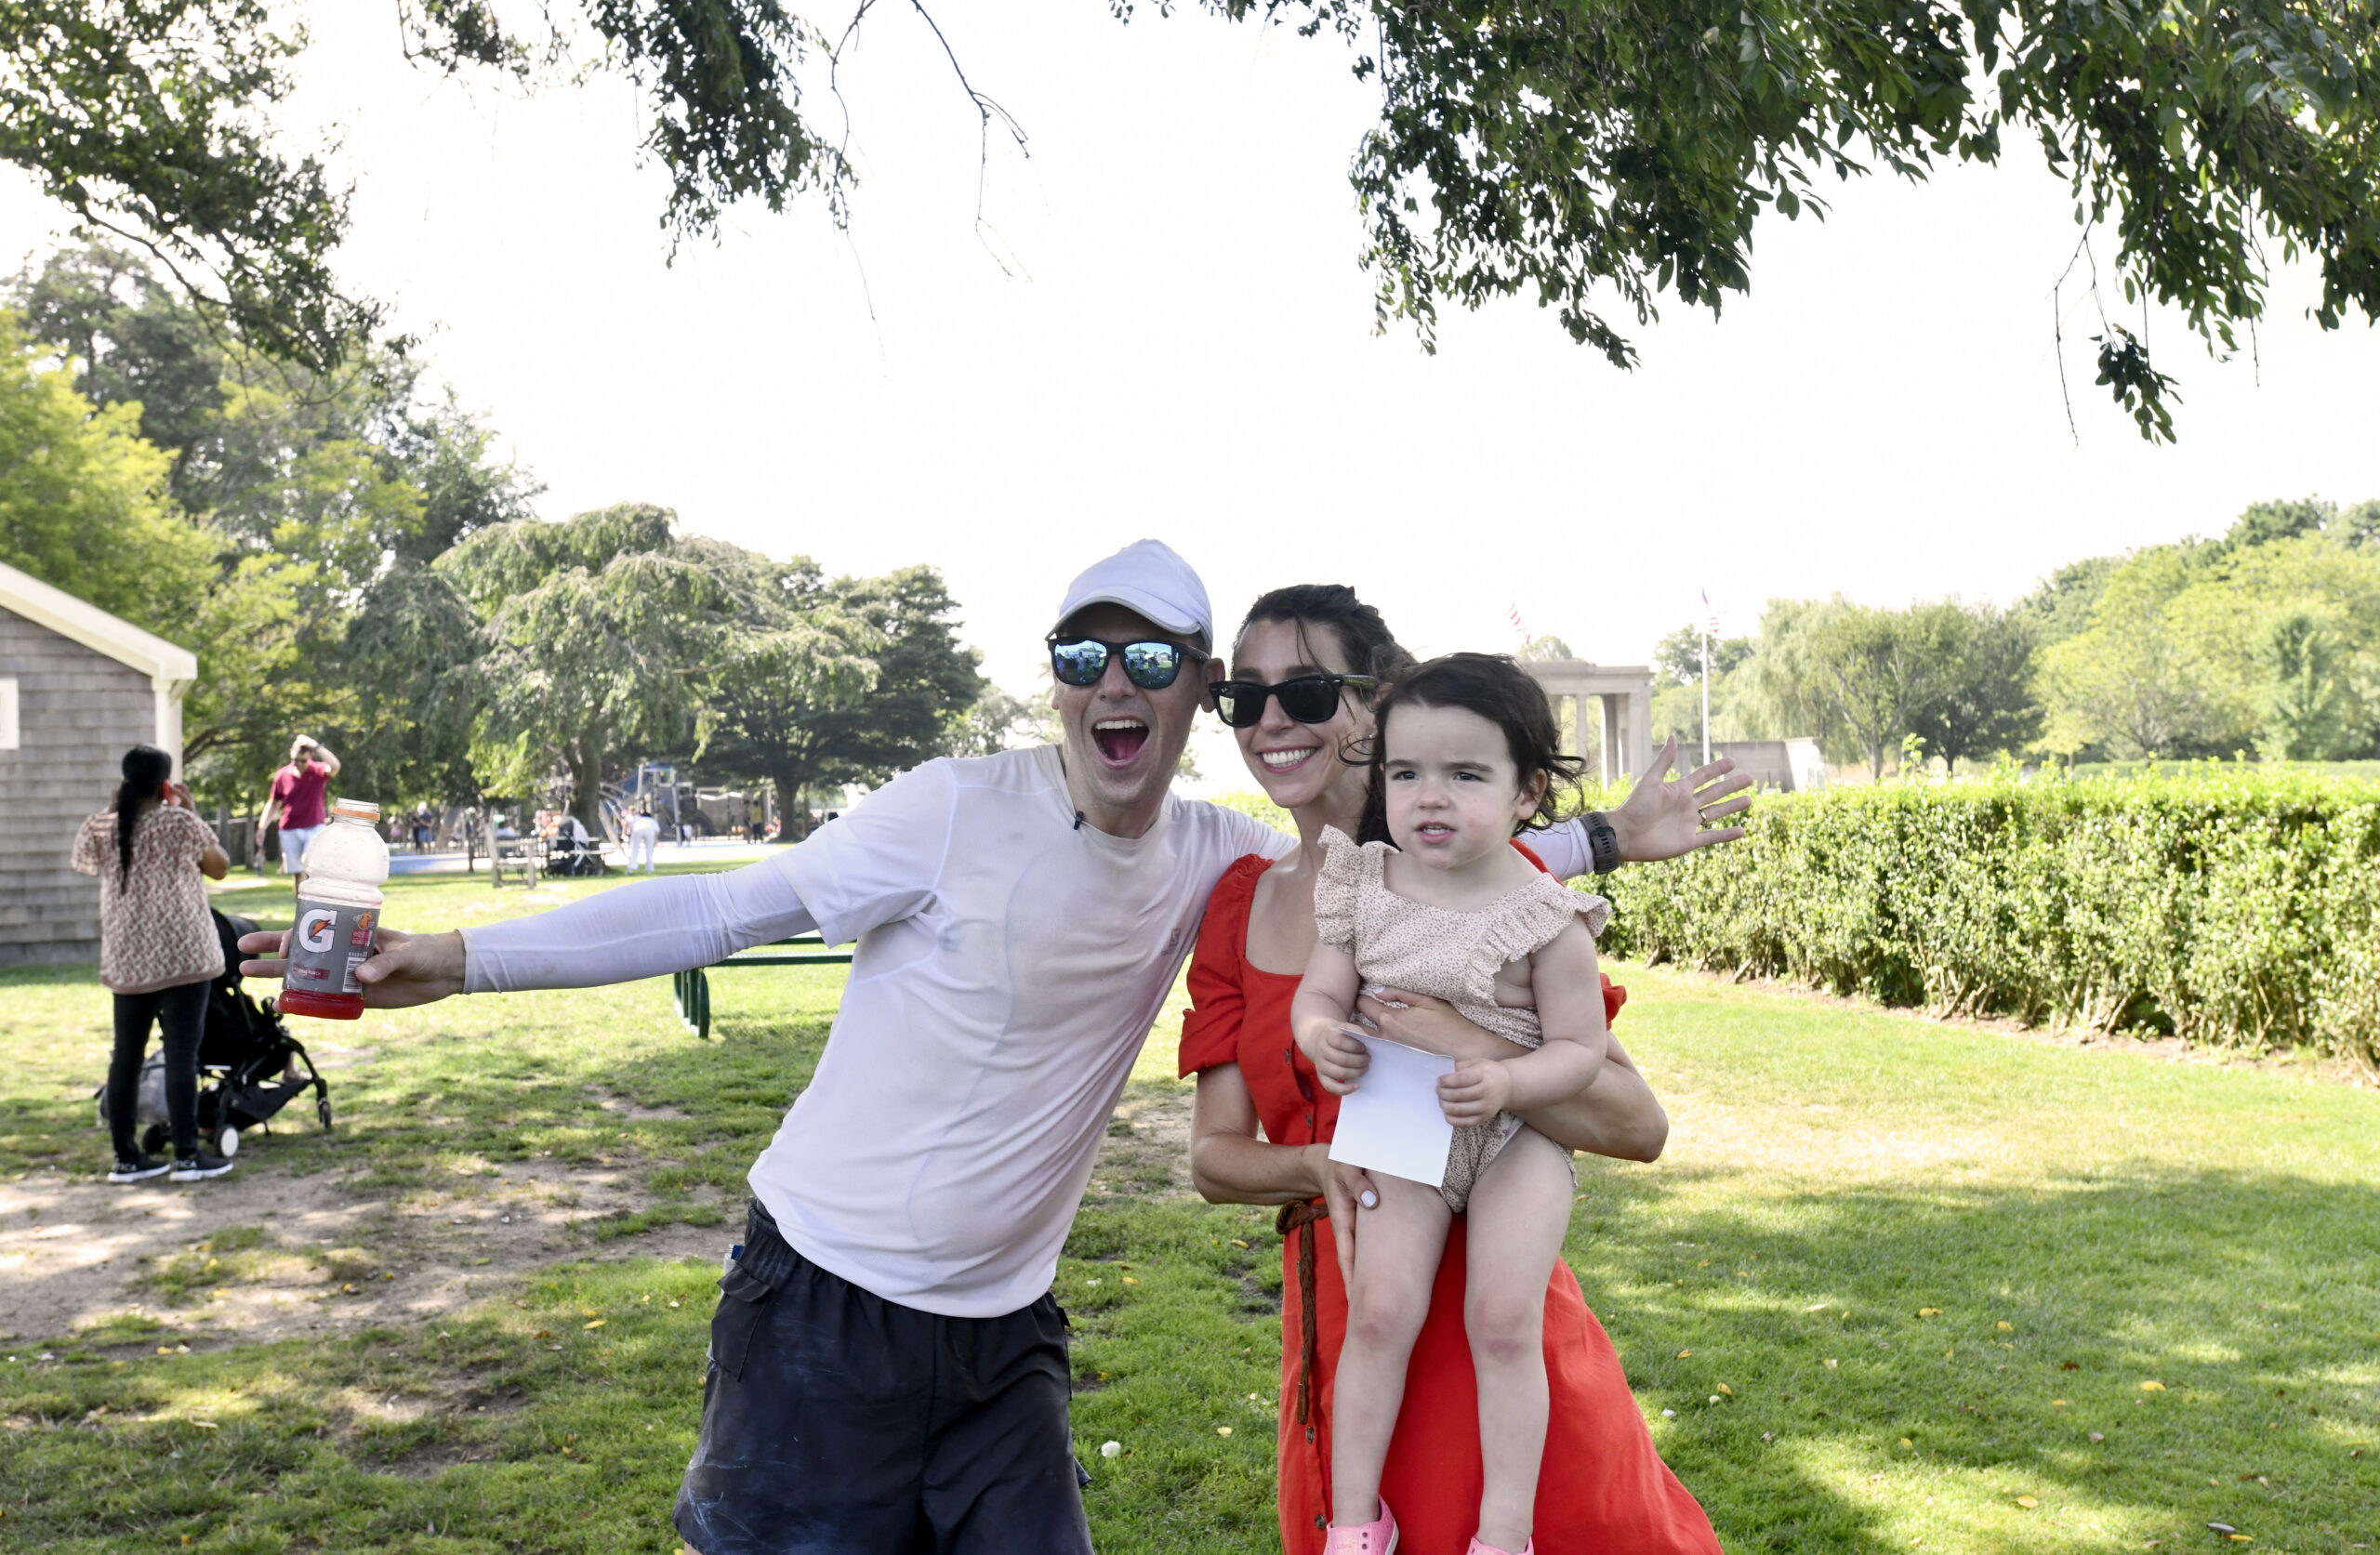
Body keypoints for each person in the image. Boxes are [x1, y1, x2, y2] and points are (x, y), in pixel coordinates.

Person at [238, 542, 1744, 1553]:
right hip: (819, 1308)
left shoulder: (1212, 858)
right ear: (1056, 678)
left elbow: (1409, 856)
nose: (1115, 683)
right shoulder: (951, 806)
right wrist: (449, 956)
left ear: (1197, 693)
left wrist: (1607, 830)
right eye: (1083, 652)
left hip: (1003, 1341)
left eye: (1154, 660)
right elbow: (724, 904)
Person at [1183, 585, 1729, 1555]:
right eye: (1245, 697)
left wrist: (1464, 1041)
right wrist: (1316, 1167)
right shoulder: (1235, 904)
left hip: (1497, 1331)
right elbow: (1214, 1160)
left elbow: (1634, 1127)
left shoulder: (1495, 892)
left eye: (1307, 691)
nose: (1272, 721)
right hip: (1354, 1326)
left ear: (1377, 700)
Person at [1293, 654, 1612, 1555]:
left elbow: (1580, 1053)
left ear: (1526, 791)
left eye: (1465, 775)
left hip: (1518, 1138)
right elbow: (1316, 998)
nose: (1430, 797)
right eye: (1405, 774)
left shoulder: (1548, 918)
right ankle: (1356, 1522)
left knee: (1502, 1319)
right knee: (1382, 1310)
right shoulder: (1365, 888)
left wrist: (1508, 1081)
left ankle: (1502, 1533)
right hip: (1402, 1121)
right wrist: (1322, 1039)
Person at [72, 745, 235, 1182]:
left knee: (125, 1056)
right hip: (184, 954)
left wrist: (112, 808)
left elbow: (83, 862)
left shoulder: (102, 827)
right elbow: (219, 867)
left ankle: (125, 1158)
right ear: (166, 784)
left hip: (128, 960)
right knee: (183, 1055)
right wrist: (192, 811)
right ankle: (186, 1156)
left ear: (125, 783)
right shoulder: (180, 822)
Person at [261, 734, 338, 889]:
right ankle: (301, 906)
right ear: (291, 753)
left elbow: (335, 766)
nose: (298, 764)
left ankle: (315, 900)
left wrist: (315, 745)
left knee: (309, 863)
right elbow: (274, 803)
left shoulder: (318, 771)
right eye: (295, 760)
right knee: (298, 872)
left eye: (302, 760)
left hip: (313, 826)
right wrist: (262, 828)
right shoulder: (282, 775)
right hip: (289, 828)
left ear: (310, 756)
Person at [626, 798, 661, 874]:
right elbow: (656, 831)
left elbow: (632, 828)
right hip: (649, 830)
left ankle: (630, 869)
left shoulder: (638, 820)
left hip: (637, 829)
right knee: (649, 850)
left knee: (634, 849)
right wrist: (656, 840)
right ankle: (649, 869)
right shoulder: (652, 821)